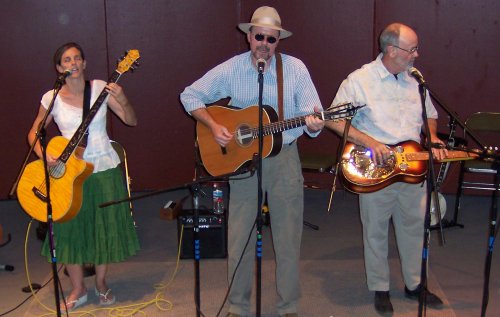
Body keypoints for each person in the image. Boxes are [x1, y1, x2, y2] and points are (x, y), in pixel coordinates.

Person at [180, 6, 324, 317]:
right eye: (259, 36)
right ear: (249, 37)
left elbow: (316, 113)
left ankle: (289, 307)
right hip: (243, 163)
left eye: (271, 39)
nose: (264, 44)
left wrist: (315, 123)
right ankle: (238, 306)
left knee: (288, 238)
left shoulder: (295, 70)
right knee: (240, 236)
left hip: (284, 157)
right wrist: (213, 126)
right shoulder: (231, 69)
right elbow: (189, 96)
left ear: (278, 41)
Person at [325, 23, 445, 315]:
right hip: (375, 169)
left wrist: (432, 136)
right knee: (375, 229)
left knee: (415, 227)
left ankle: (415, 285)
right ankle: (380, 287)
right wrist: (369, 141)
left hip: (413, 166)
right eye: (411, 49)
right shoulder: (360, 80)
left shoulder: (416, 80)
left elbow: (430, 115)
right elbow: (332, 119)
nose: (416, 54)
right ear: (392, 50)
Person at [27, 42, 140, 311]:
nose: (73, 63)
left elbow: (131, 120)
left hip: (103, 168)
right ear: (59, 68)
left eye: (78, 58)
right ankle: (78, 287)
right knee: (69, 230)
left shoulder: (101, 87)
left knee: (103, 227)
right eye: (66, 60)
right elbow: (33, 134)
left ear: (85, 63)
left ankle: (101, 283)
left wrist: (122, 98)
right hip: (68, 173)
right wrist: (47, 157)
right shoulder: (50, 97)